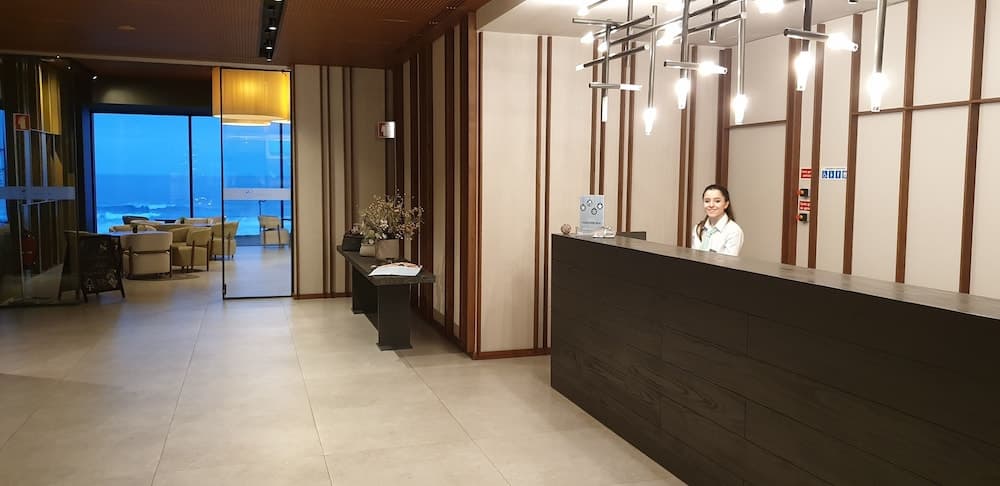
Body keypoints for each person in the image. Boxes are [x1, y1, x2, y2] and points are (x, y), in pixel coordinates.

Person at [691, 184, 744, 256]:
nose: (711, 205)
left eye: (717, 201)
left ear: (726, 204)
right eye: (707, 201)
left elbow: (729, 261)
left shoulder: (734, 231)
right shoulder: (698, 228)